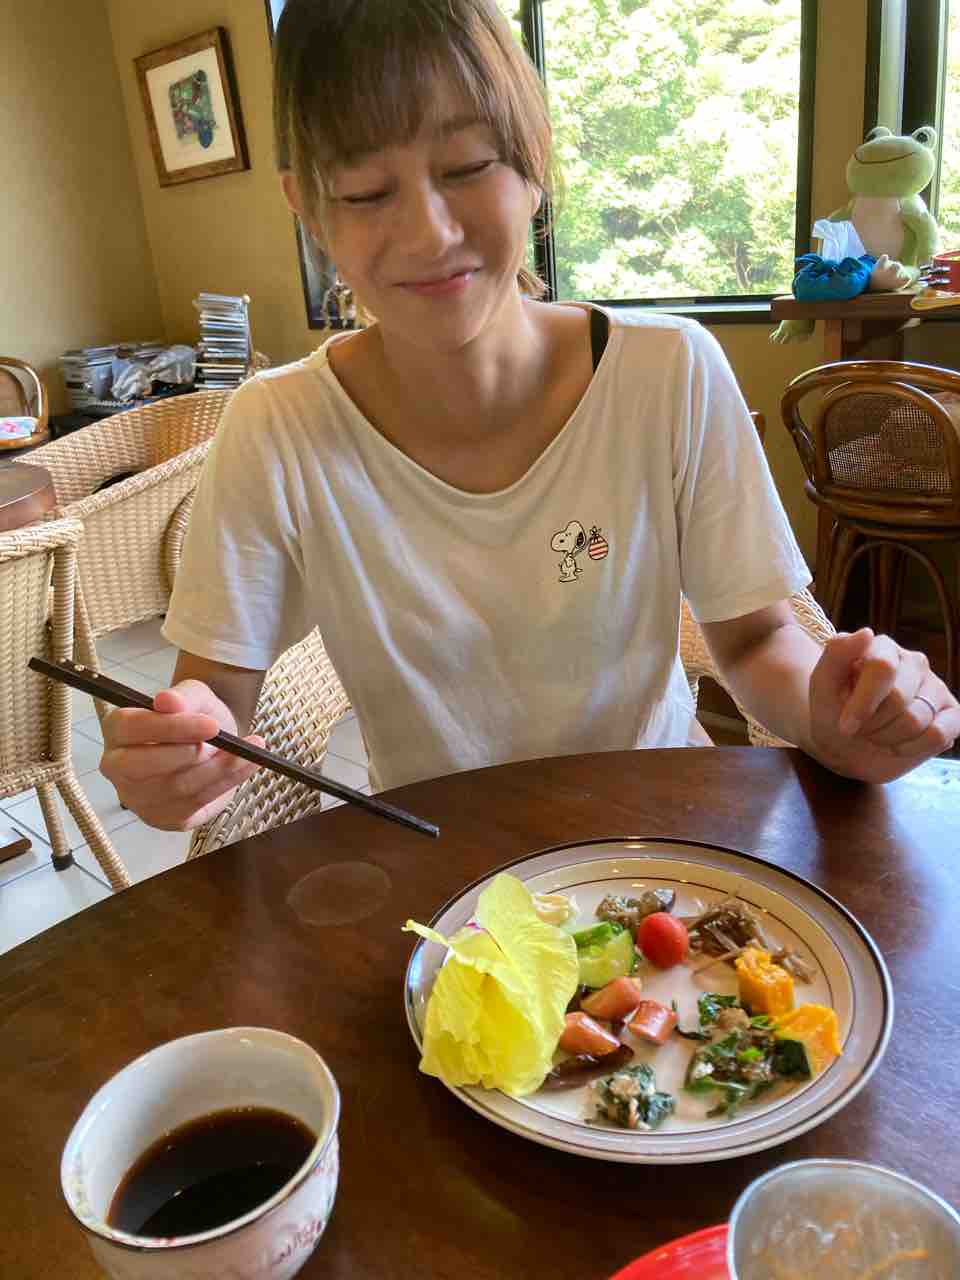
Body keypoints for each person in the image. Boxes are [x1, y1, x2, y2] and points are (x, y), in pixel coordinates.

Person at [101, 0, 959, 833]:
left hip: (658, 840)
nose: (429, 233)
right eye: (364, 192)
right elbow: (218, 691)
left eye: (467, 167)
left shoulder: (668, 370)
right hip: (440, 869)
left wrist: (834, 715)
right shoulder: (276, 425)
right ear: (309, 211)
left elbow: (756, 639)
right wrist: (177, 755)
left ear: (534, 159)